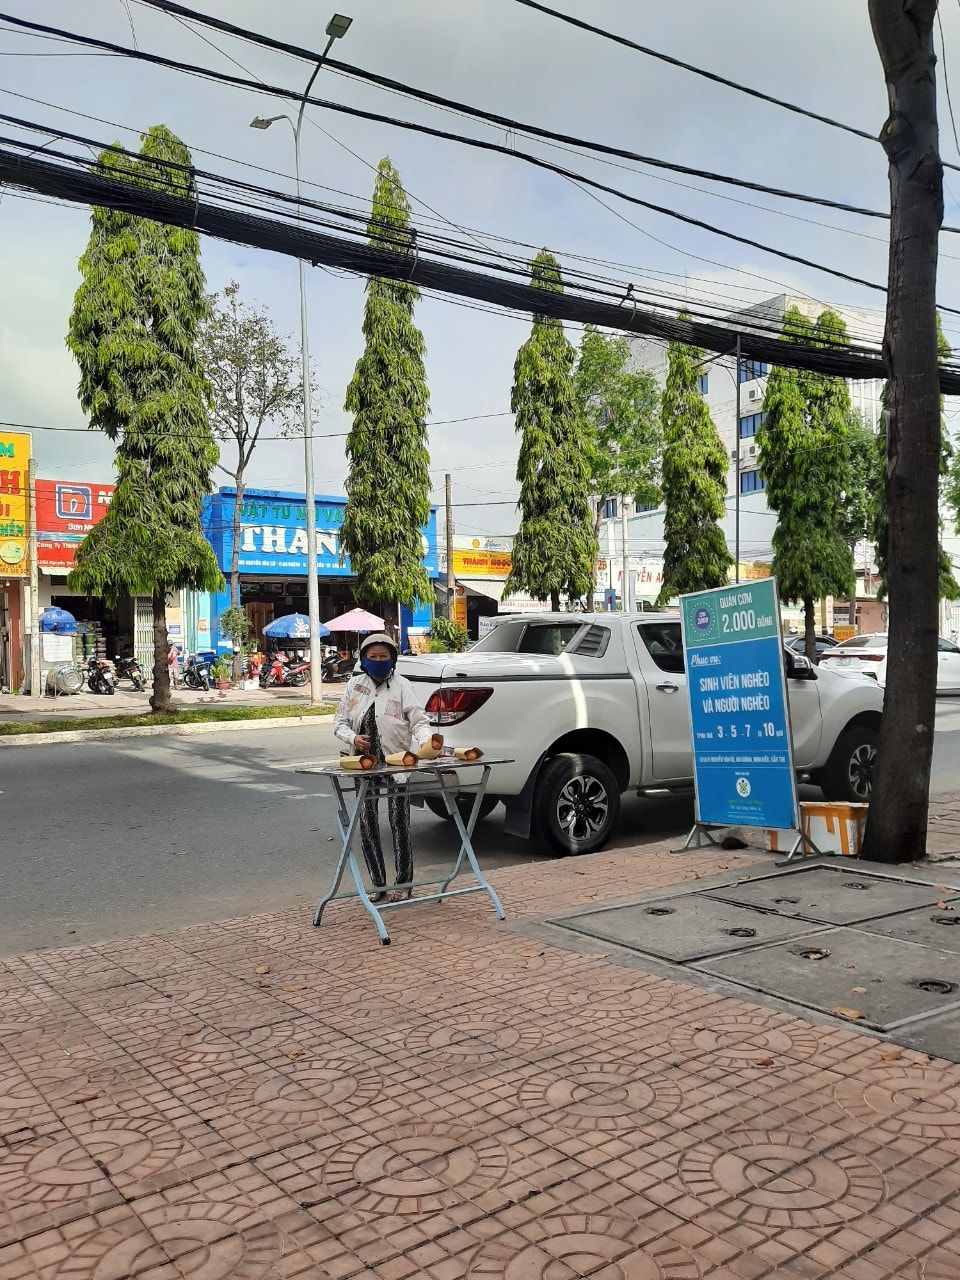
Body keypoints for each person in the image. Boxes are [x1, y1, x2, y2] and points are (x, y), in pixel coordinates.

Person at [333, 632, 433, 902]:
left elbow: (419, 721)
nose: (378, 661)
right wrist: (353, 738)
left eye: (383, 656)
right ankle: (378, 883)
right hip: (364, 764)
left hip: (397, 763)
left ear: (393, 659)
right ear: (364, 660)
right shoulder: (354, 686)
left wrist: (426, 741)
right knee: (367, 822)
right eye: (373, 657)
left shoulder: (402, 686)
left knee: (399, 821)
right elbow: (339, 724)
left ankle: (404, 882)